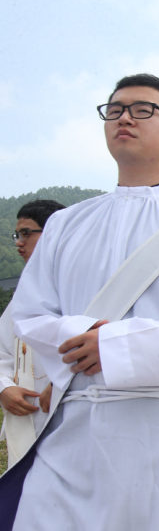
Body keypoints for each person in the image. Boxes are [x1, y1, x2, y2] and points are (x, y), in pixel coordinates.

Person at [1, 73, 159, 530]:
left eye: (143, 109)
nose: (124, 116)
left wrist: (117, 346)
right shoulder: (65, 225)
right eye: (115, 109)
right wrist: (79, 341)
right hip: (78, 427)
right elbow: (29, 314)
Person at [1, 199, 65, 467]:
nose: (19, 242)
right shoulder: (22, 296)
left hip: (72, 417)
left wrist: (65, 384)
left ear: (55, 231)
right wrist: (5, 388)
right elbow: (2, 351)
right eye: (18, 234)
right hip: (27, 415)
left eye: (27, 233)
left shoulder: (84, 288)